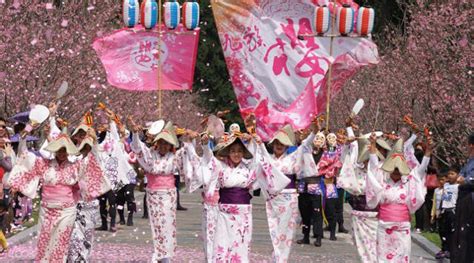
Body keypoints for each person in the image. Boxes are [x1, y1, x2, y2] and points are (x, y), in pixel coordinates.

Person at [7, 132, 109, 262]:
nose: (62, 153)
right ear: (55, 150)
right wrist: (23, 136)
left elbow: (91, 161)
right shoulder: (43, 164)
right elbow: (24, 156)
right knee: (45, 241)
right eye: (59, 150)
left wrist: (93, 143)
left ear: (68, 152)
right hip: (47, 210)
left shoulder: (75, 166)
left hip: (67, 211)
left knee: (61, 241)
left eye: (64, 151)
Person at [198, 128, 290, 262]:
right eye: (233, 151)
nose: (236, 154)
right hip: (224, 213)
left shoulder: (249, 168)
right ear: (228, 152)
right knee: (222, 245)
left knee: (240, 246)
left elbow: (261, 161)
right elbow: (209, 161)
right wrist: (205, 145)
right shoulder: (221, 166)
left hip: (243, 214)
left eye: (240, 151)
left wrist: (256, 142)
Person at [131, 121, 194, 262]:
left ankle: (166, 255)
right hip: (153, 194)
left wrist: (189, 140)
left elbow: (187, 153)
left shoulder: (175, 157)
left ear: (171, 145)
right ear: (157, 143)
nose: (164, 146)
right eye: (161, 143)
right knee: (157, 225)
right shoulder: (150, 155)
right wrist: (135, 134)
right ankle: (159, 253)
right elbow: (138, 149)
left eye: (167, 143)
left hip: (168, 195)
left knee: (168, 224)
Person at [366, 135, 431, 262]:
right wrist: (373, 146)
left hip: (402, 227)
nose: (396, 172)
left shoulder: (409, 182)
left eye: (398, 169)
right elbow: (374, 167)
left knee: (402, 256)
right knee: (383, 257)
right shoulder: (382, 180)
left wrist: (427, 153)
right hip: (384, 226)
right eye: (393, 169)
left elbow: (421, 171)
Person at [338, 121, 391, 262]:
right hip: (359, 215)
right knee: (362, 249)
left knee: (378, 247)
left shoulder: (383, 169)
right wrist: (348, 139)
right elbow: (347, 159)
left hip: (377, 216)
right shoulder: (357, 169)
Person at [262, 123, 315, 262]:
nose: (279, 146)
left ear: (287, 146)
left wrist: (314, 132)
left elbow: (305, 145)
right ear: (272, 144)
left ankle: (281, 259)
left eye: (283, 143)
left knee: (286, 231)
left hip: (289, 198)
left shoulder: (292, 157)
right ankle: (277, 257)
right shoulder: (268, 158)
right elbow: (259, 150)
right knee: (275, 230)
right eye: (277, 143)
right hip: (273, 198)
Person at [297, 131, 325, 247]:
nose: (318, 140)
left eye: (321, 139)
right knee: (304, 212)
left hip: (315, 185)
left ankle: (318, 236)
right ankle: (305, 235)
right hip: (303, 185)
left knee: (317, 212)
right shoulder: (306, 151)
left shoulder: (326, 154)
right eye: (316, 138)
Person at [451, 133, 474, 263]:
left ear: (471, 145)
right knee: (461, 234)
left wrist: (464, 180)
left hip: (470, 201)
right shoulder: (470, 161)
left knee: (467, 234)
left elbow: (467, 179)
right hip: (464, 199)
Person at [435, 168, 460, 259]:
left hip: (452, 210)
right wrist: (439, 210)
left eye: (452, 174)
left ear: (457, 175)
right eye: (449, 174)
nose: (450, 176)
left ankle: (451, 250)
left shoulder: (458, 186)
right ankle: (444, 248)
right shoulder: (446, 185)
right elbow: (443, 198)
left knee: (452, 231)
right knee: (442, 230)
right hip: (444, 210)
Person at [430, 173, 446, 259]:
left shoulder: (448, 190)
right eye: (440, 180)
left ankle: (446, 249)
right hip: (438, 213)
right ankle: (443, 248)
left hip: (445, 213)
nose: (441, 182)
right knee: (440, 231)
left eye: (443, 180)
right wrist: (433, 215)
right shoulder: (436, 190)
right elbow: (434, 203)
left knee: (445, 231)